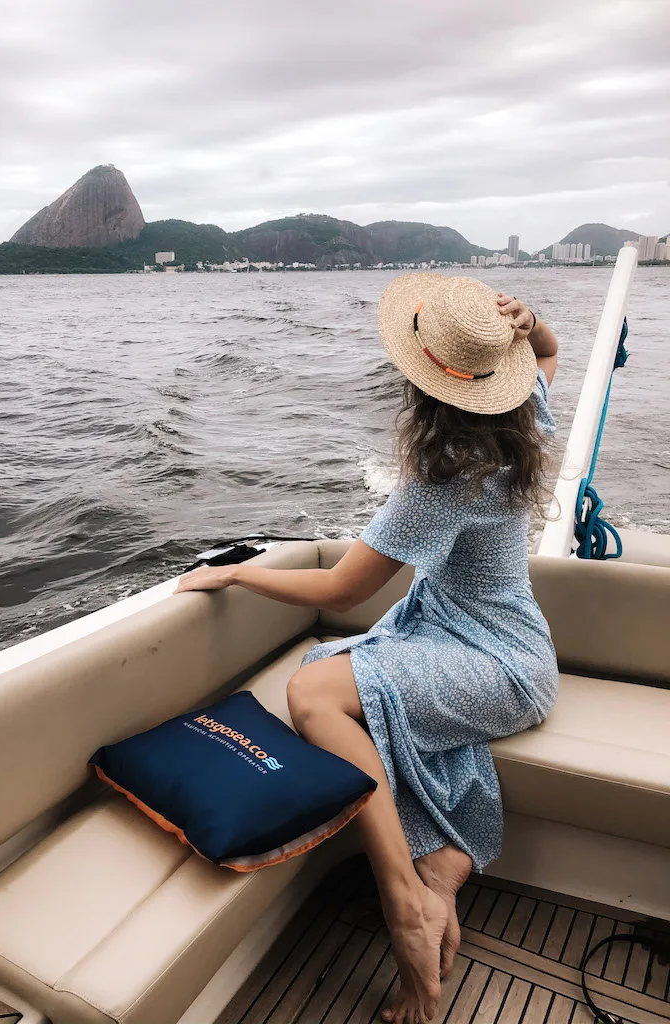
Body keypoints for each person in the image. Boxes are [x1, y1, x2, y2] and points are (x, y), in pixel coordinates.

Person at [174, 275, 559, 1024]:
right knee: (366, 687)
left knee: (315, 691)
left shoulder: (448, 474)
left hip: (495, 665)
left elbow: (344, 593)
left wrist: (240, 572)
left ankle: (403, 899)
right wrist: (533, 324)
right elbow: (550, 355)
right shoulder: (525, 420)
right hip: (507, 648)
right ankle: (443, 866)